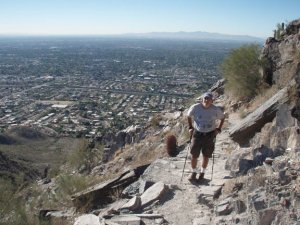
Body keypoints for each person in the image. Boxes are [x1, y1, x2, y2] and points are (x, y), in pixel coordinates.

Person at [187, 92, 225, 182]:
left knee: (206, 155)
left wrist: (218, 129)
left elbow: (222, 118)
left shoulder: (215, 110)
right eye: (205, 98)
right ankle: (194, 172)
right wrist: (190, 127)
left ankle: (202, 173)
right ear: (202, 99)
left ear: (212, 101)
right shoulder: (195, 107)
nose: (207, 101)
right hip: (197, 133)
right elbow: (188, 116)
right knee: (194, 154)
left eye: (209, 99)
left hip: (209, 134)